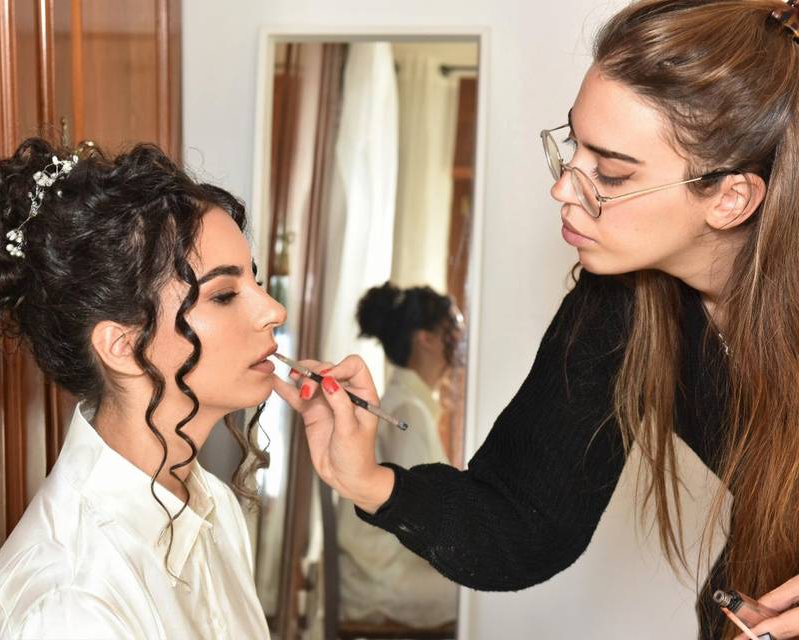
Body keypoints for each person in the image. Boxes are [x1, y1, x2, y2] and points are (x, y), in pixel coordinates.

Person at [272, 2, 799, 638]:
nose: (564, 188)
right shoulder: (621, 305)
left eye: (609, 172)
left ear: (731, 197)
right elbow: (522, 524)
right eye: (573, 146)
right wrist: (370, 480)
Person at [0, 138, 285, 639]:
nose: (273, 310)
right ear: (124, 347)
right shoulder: (72, 605)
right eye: (225, 294)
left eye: (253, 281)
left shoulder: (212, 504)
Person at [334, 283, 461, 627]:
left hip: (375, 571)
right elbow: (421, 515)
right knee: (487, 597)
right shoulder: (407, 409)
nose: (459, 343)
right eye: (453, 330)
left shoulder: (405, 403)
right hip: (380, 580)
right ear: (426, 339)